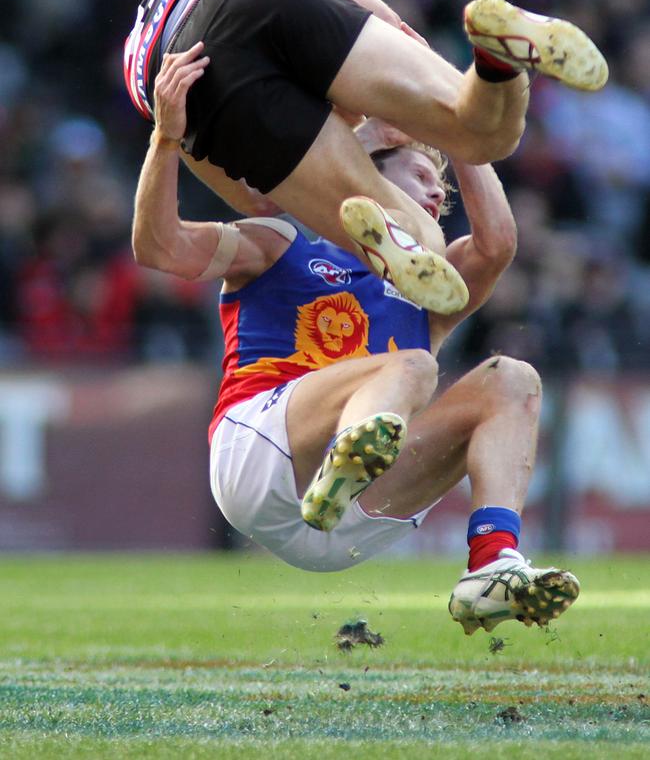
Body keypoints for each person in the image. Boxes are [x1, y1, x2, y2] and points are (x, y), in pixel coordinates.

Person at [131, 51, 580, 636]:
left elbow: (496, 244)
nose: (437, 195)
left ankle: (491, 567)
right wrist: (166, 139)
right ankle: (351, 451)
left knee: (512, 379)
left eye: (441, 187)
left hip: (348, 522)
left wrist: (462, 135)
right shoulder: (282, 241)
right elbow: (158, 247)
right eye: (421, 174)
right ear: (370, 174)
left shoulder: (432, 284)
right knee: (413, 366)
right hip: (262, 463)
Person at [121, 0, 608, 315]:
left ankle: (375, 218)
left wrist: (168, 137)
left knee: (425, 245)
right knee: (486, 133)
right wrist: (412, 80)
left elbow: (257, 199)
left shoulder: (136, 52)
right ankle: (495, 58)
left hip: (191, 73)